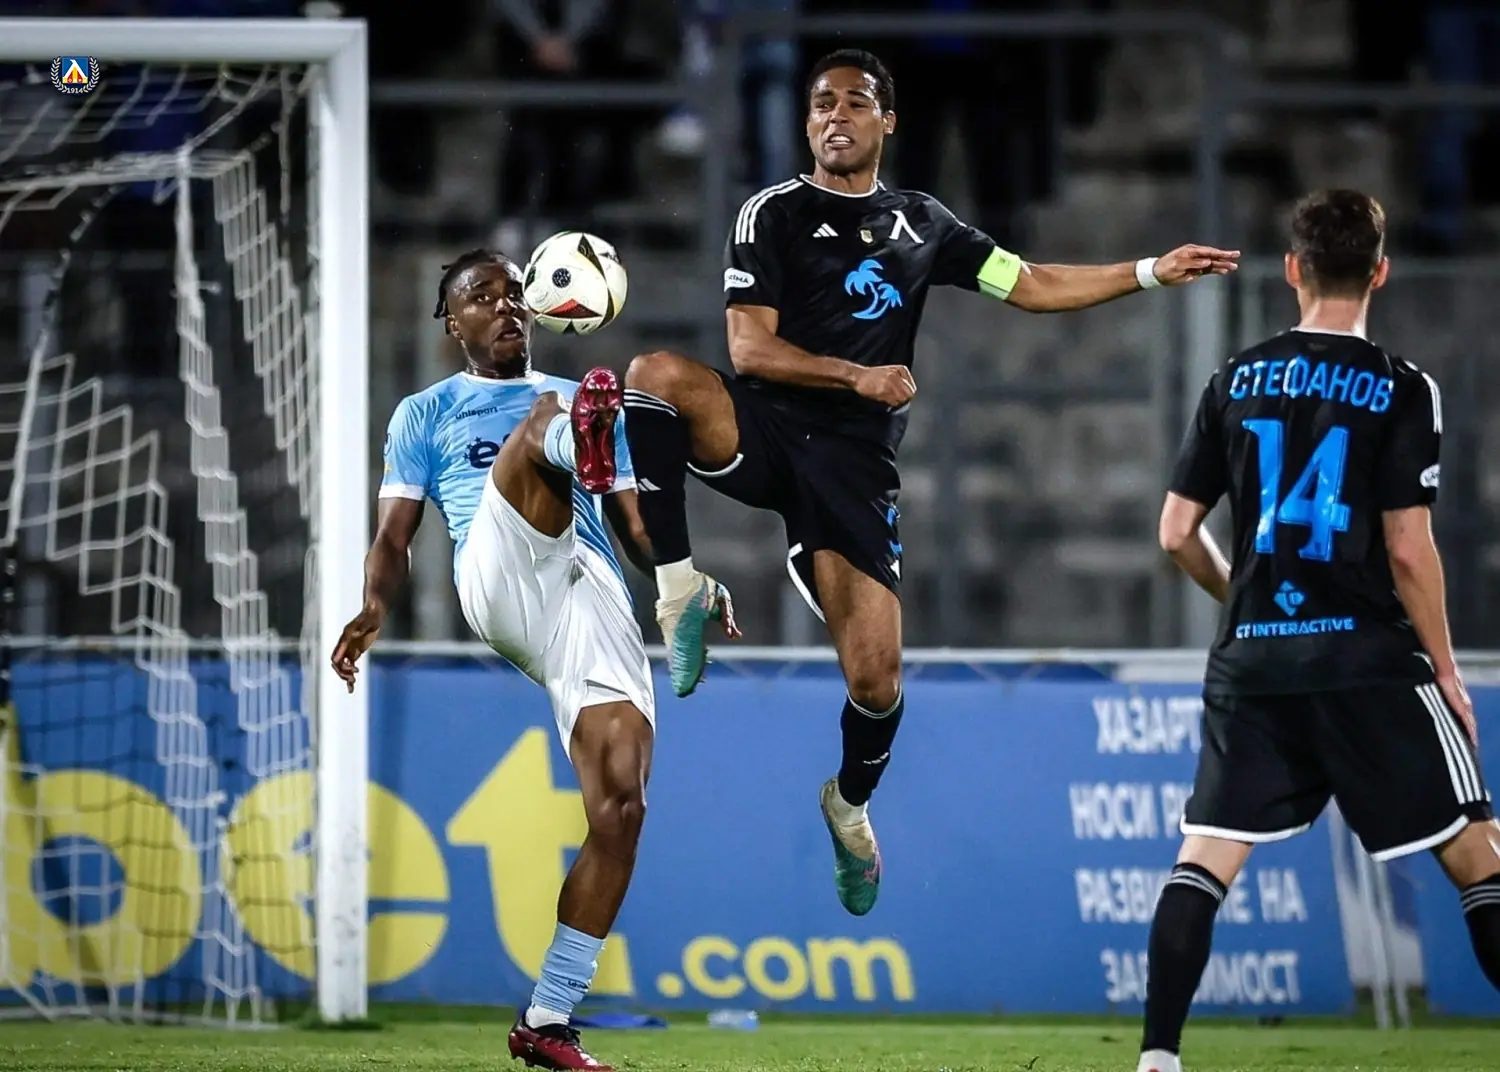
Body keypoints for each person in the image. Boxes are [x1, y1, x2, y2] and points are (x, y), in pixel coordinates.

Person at [620, 47, 1239, 917]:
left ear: (887, 121)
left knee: (876, 682)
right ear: (806, 121)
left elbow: (1027, 282)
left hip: (853, 467)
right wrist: (858, 375)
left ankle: (848, 805)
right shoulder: (772, 212)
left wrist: (1146, 271)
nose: (836, 115)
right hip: (765, 429)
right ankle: (678, 588)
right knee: (652, 376)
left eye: (856, 102)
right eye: (822, 103)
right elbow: (748, 349)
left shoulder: (921, 223)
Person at [1141, 190, 1500, 1072]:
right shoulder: (1403, 386)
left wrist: (1241, 599)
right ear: (1380, 272)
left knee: (1203, 860)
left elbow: (1176, 533)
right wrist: (1445, 669)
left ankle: (1157, 1059)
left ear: (1292, 270)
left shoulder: (1232, 378)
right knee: (1477, 854)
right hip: (1368, 656)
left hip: (1254, 660)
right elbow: (1407, 548)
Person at [330, 249, 653, 1072]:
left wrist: (686, 580)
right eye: (483, 296)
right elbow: (393, 537)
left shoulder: (587, 397)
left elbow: (634, 528)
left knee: (621, 805)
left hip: (589, 591)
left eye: (516, 294)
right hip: (499, 573)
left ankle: (548, 1019)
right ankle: (561, 446)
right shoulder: (426, 412)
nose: (507, 307)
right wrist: (374, 607)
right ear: (452, 321)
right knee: (544, 421)